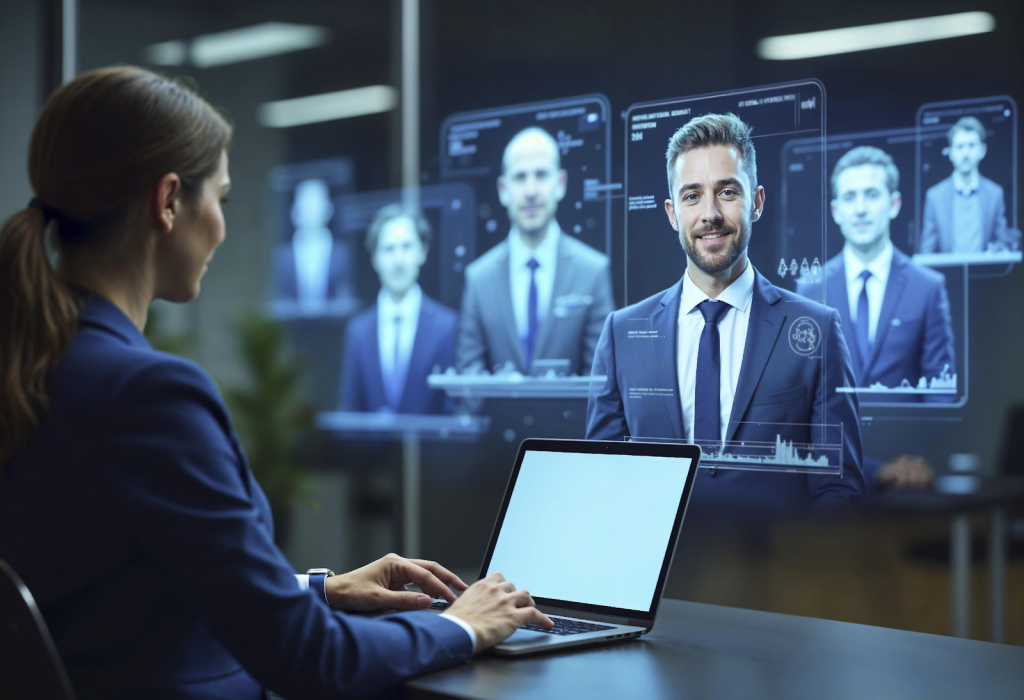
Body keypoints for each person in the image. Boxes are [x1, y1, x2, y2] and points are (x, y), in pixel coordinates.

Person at [0, 67, 550, 700]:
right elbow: (310, 659)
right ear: (170, 201)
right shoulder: (146, 394)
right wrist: (462, 626)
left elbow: (112, 586)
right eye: (223, 200)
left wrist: (321, 588)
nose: (224, 227)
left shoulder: (38, 365)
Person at [586, 113, 864, 509]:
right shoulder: (621, 333)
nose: (710, 214)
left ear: (757, 202)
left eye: (728, 192)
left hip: (778, 566)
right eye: (692, 195)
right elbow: (599, 480)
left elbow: (839, 490)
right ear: (671, 213)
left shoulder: (817, 328)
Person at [800, 146, 955, 490]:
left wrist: (918, 462)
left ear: (894, 204)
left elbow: (939, 393)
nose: (860, 208)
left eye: (871, 194)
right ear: (836, 211)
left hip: (912, 478)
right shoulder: (809, 290)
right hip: (833, 478)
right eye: (850, 197)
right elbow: (803, 399)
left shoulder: (927, 286)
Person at [456, 127, 615, 376]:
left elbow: (601, 378)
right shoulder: (479, 278)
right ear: (503, 190)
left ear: (560, 184)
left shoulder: (592, 272)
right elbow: (468, 373)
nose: (531, 191)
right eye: (519, 177)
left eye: (541, 175)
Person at [340, 204, 457, 414]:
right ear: (375, 258)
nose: (398, 260)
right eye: (389, 249)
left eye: (406, 247)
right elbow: (349, 411)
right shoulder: (357, 331)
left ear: (422, 252)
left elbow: (452, 410)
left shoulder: (447, 327)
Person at [919, 116, 1016, 254]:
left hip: (985, 274)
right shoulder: (935, 196)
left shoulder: (995, 194)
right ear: (951, 152)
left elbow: (1003, 241)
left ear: (982, 150)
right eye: (959, 146)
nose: (965, 153)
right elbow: (926, 252)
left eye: (971, 145)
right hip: (948, 275)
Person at [272, 178, 353, 306]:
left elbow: (345, 298)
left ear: (328, 209)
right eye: (306, 204)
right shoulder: (283, 257)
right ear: (295, 211)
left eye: (316, 204)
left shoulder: (341, 254)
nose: (311, 211)